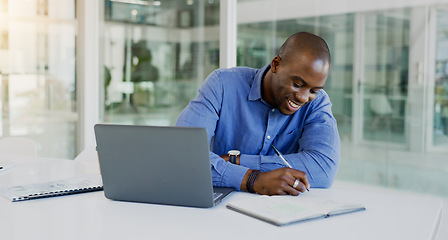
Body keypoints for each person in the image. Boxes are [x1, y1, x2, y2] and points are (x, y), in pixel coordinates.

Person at [175, 32, 340, 196]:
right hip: (223, 210)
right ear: (276, 64)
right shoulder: (222, 85)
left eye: (313, 90)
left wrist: (237, 161)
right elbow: (182, 153)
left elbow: (324, 168)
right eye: (297, 84)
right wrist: (252, 179)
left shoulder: (317, 103)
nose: (303, 97)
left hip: (284, 213)